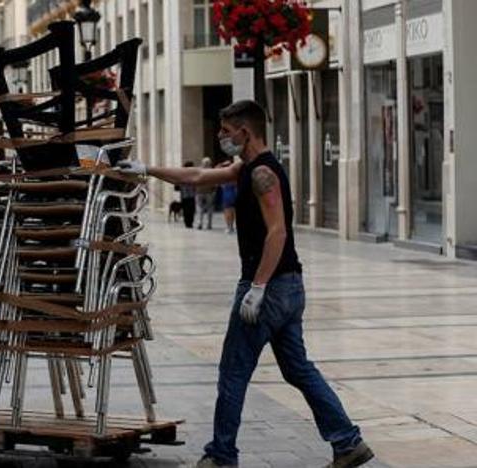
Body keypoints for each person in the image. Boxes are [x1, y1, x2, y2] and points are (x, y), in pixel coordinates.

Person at [122, 100, 372, 468]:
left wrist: (257, 288)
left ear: (245, 131)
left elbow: (278, 233)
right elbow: (197, 178)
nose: (221, 136)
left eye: (226, 131)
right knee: (298, 369)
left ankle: (221, 456)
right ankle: (347, 442)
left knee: (233, 371)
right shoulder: (248, 167)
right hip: (288, 287)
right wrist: (146, 169)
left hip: (268, 287)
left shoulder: (261, 174)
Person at [196, 157, 216, 230]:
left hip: (199, 192)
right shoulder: (212, 171)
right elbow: (215, 182)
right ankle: (209, 224)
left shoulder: (199, 170)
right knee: (209, 208)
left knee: (199, 208)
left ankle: (200, 223)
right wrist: (214, 191)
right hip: (209, 192)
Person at [178, 161, 196, 229]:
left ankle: (187, 222)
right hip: (190, 195)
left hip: (184, 196)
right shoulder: (192, 174)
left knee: (186, 209)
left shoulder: (181, 174)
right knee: (191, 210)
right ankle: (190, 223)